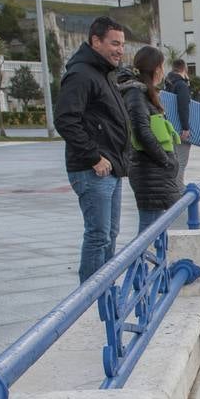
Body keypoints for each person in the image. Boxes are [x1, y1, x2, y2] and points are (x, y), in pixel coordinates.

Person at [54, 16, 130, 283]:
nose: (120, 50)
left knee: (110, 233)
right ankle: (89, 297)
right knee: (98, 235)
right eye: (114, 43)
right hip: (93, 169)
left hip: (111, 168)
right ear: (95, 41)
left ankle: (105, 290)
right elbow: (65, 119)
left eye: (122, 44)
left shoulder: (103, 73)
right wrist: (94, 156)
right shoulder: (81, 74)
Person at [119, 46, 180, 234]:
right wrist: (166, 160)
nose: (163, 72)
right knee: (149, 229)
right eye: (161, 66)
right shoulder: (136, 94)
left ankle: (153, 262)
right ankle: (143, 263)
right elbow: (142, 132)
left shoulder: (145, 93)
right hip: (149, 173)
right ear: (155, 68)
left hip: (155, 173)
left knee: (156, 227)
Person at [163, 59, 192, 187]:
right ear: (184, 69)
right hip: (180, 130)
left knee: (174, 160)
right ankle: (178, 192)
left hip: (170, 127)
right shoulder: (181, 85)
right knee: (181, 162)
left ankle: (174, 188)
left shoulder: (168, 84)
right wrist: (186, 128)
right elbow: (183, 106)